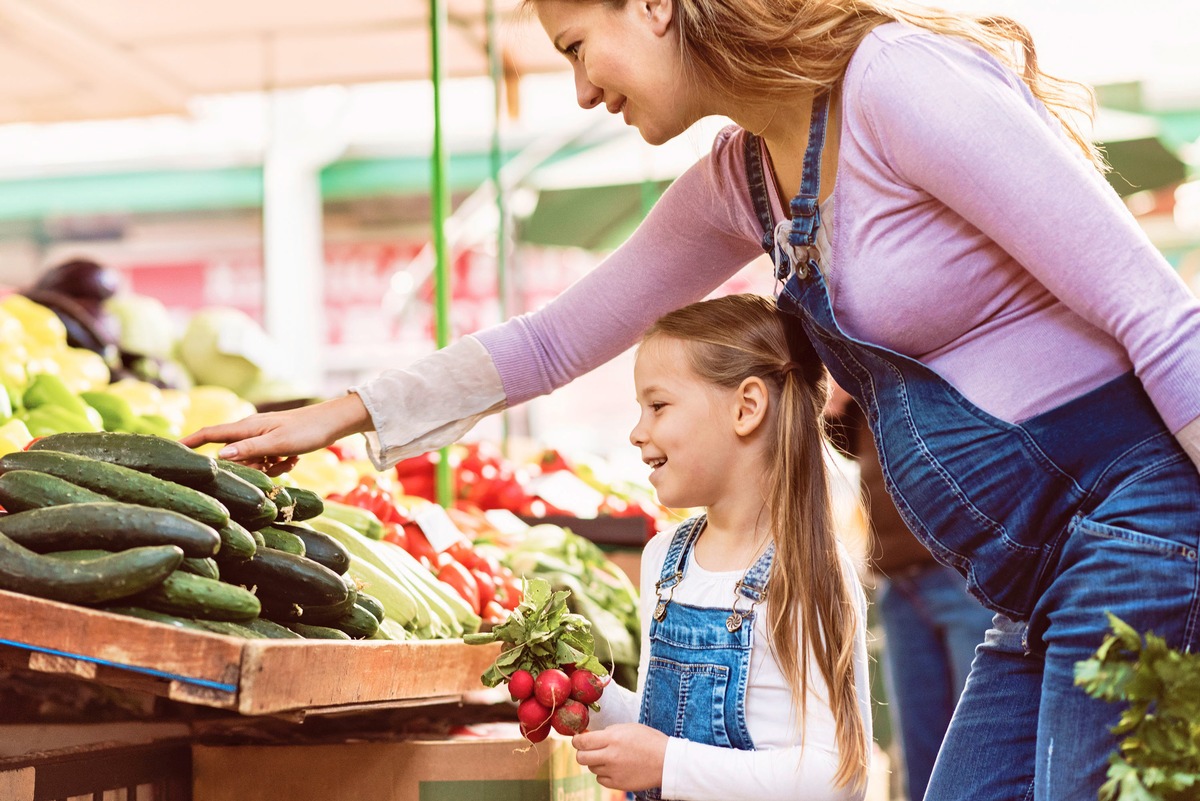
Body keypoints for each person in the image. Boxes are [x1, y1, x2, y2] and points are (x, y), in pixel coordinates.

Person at [184, 1, 1200, 798]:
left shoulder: (898, 83)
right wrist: (341, 415)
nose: (582, 90)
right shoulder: (748, 182)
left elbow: (1157, 313)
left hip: (1130, 531)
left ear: (659, 6)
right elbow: (555, 336)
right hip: (1034, 588)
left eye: (580, 46)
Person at [565, 293, 871, 799]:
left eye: (658, 406)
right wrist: (585, 693)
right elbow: (658, 728)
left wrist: (667, 765)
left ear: (746, 407)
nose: (637, 433)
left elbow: (839, 778)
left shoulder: (807, 570)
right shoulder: (663, 560)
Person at [826, 386, 992, 801]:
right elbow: (855, 447)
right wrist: (838, 404)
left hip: (962, 573)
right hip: (897, 580)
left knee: (978, 753)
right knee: (921, 760)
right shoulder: (863, 374)